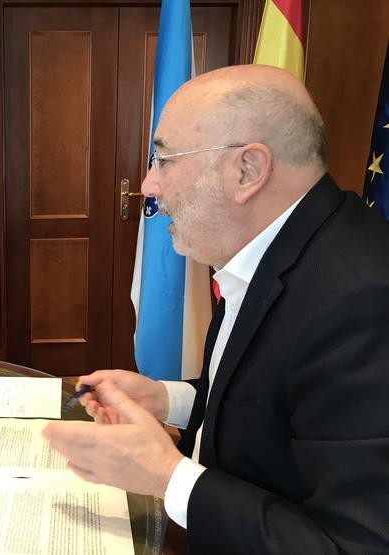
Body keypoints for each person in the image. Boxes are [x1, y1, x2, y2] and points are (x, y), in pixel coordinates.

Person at [43, 64, 389, 553]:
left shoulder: (364, 301)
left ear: (247, 170)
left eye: (163, 160)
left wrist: (166, 477)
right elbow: (276, 400)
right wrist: (168, 400)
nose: (147, 186)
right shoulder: (279, 248)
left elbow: (357, 544)